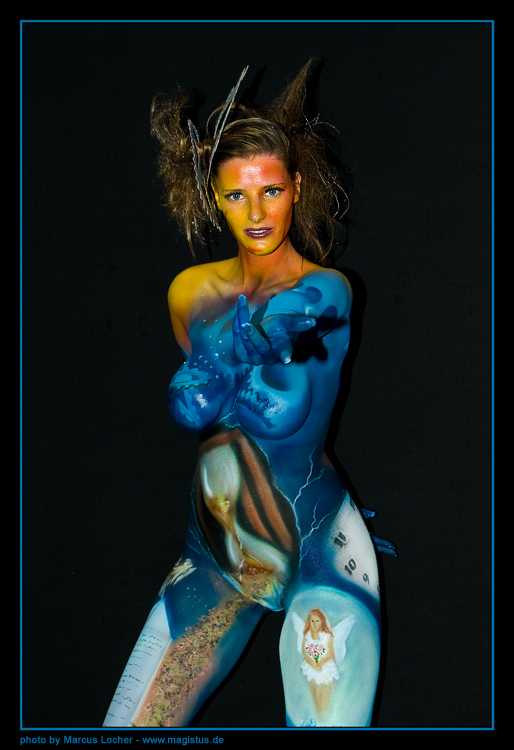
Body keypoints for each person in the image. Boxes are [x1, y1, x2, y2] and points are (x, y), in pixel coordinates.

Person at [103, 60, 394, 730]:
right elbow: (201, 402)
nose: (256, 213)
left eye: (271, 191)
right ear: (214, 196)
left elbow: (293, 342)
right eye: (236, 195)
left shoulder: (326, 292)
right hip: (218, 553)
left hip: (319, 547)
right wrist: (224, 363)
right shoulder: (191, 294)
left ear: (297, 187)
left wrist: (243, 352)